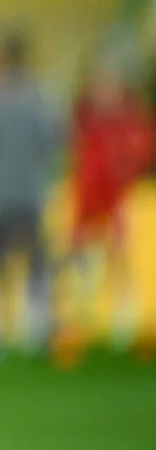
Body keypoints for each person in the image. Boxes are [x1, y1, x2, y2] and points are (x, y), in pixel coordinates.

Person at [0, 30, 63, 359]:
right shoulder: (41, 97)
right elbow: (55, 142)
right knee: (35, 257)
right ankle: (36, 324)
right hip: (31, 190)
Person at [57, 59, 154, 357]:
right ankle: (78, 323)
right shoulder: (83, 120)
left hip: (117, 203)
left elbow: (141, 155)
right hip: (88, 201)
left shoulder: (132, 122)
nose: (104, 92)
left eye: (109, 86)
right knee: (82, 263)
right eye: (100, 86)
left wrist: (128, 169)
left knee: (120, 260)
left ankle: (126, 322)